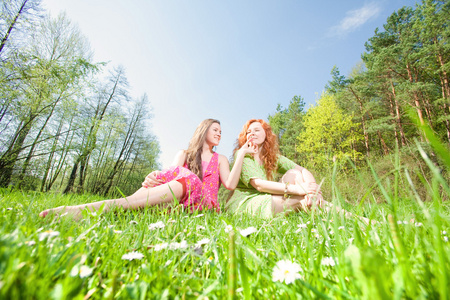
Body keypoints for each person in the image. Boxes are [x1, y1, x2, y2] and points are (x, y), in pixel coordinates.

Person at [39, 119, 257, 219]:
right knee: (168, 175)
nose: (219, 133)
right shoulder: (184, 154)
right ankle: (97, 209)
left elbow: (229, 184)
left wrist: (241, 155)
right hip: (175, 205)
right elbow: (168, 177)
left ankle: (97, 209)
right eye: (215, 129)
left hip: (203, 207)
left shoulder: (220, 159)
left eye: (221, 131)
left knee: (190, 179)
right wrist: (153, 177)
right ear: (203, 130)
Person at [225, 119, 373, 224]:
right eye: (248, 132)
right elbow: (259, 185)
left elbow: (303, 170)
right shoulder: (243, 155)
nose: (252, 133)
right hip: (246, 203)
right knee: (301, 199)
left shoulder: (273, 157)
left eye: (257, 130)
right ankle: (361, 222)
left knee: (295, 174)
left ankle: (320, 211)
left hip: (268, 198)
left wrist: (312, 189)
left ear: (266, 134)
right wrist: (300, 189)